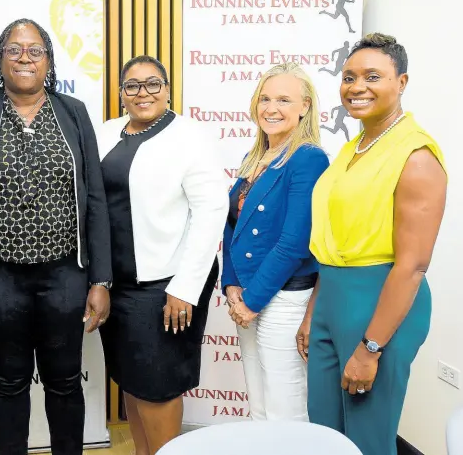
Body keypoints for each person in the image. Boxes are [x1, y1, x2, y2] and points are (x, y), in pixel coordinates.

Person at [0, 18, 111, 455]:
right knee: (8, 384)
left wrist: (101, 280)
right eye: (13, 50)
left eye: (35, 50)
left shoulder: (73, 111)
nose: (24, 58)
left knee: (65, 382)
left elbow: (94, 199)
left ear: (49, 60)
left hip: (65, 276)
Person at [301, 33, 447, 455]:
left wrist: (370, 348)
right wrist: (315, 312)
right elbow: (334, 242)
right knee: (325, 434)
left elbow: (413, 266)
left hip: (380, 304)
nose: (357, 86)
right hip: (333, 299)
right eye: (349, 77)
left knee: (366, 439)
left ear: (401, 83)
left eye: (372, 76)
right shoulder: (352, 149)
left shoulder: (415, 156)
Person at [96, 56, 227, 455]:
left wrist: (184, 289)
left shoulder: (190, 136)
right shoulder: (105, 133)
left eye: (153, 84)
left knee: (158, 388)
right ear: (121, 94)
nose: (143, 93)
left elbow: (211, 211)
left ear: (168, 89)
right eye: (132, 85)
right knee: (133, 383)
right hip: (118, 284)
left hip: (165, 286)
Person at [221, 62, 329, 422]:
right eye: (265, 98)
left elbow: (294, 243)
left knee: (285, 404)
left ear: (305, 107)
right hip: (247, 293)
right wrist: (232, 284)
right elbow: (232, 227)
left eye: (284, 99)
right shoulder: (253, 157)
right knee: (258, 404)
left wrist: (250, 301)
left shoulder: (309, 159)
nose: (271, 107)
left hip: (282, 297)